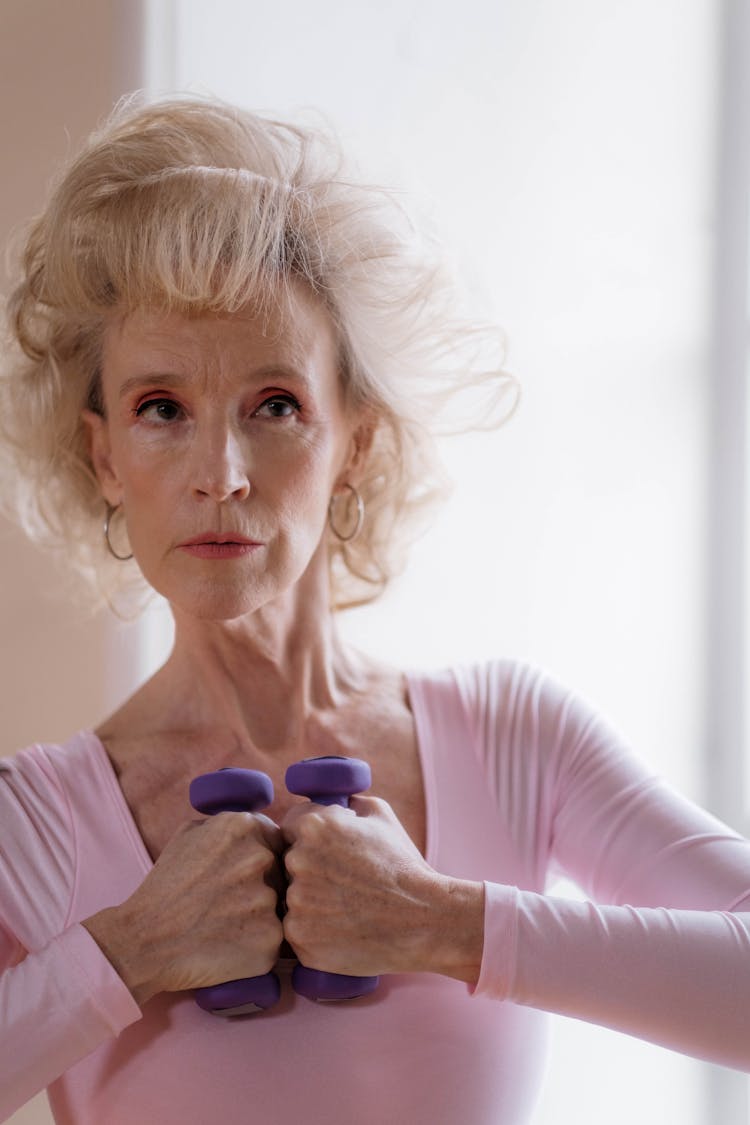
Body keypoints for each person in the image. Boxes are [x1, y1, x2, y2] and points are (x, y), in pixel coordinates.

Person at [0, 94, 748, 1125]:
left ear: (354, 443)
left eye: (275, 406)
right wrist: (133, 950)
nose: (220, 473)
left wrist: (446, 922)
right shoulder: (28, 826)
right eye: (160, 409)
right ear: (104, 456)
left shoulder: (510, 738)